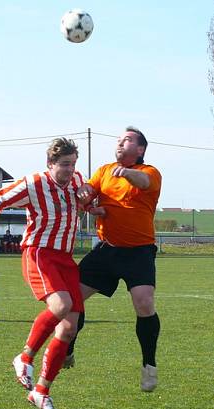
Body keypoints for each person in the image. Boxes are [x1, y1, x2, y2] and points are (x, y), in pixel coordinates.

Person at [0, 138, 103, 409]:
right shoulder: (35, 183)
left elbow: (83, 202)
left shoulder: (77, 181)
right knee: (60, 307)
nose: (70, 170)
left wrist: (92, 206)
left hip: (65, 258)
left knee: (70, 328)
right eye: (64, 165)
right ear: (51, 164)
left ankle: (41, 391)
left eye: (73, 164)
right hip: (39, 253)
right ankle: (24, 358)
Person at [70, 126, 162, 392]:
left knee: (144, 304)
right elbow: (89, 189)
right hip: (107, 250)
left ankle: (149, 366)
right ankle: (68, 347)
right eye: (119, 140)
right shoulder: (104, 170)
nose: (120, 143)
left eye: (127, 140)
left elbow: (144, 184)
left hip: (139, 252)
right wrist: (86, 195)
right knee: (71, 298)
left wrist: (128, 173)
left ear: (140, 149)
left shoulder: (149, 172)